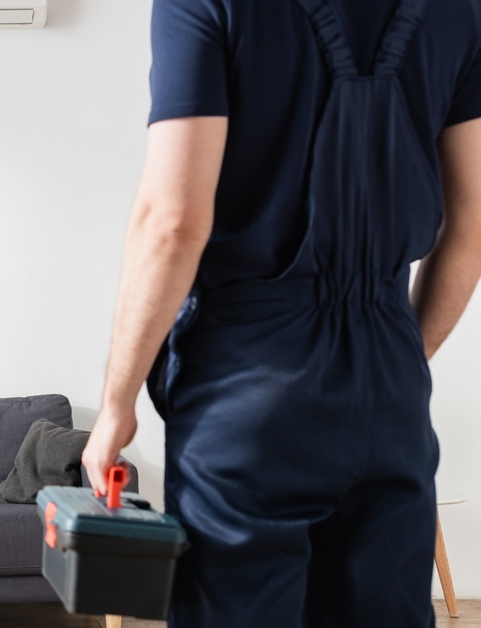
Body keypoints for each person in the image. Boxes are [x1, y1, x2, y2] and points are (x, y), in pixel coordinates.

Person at [79, 1, 481, 626]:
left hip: (248, 388)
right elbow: (473, 223)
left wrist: (115, 404)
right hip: (390, 389)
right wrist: (399, 358)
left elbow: (173, 222)